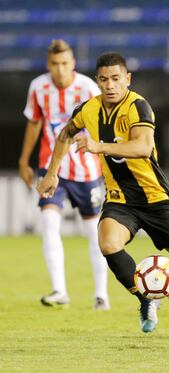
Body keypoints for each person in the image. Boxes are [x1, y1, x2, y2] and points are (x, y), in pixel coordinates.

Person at [36, 52, 169, 338]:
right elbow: (64, 134)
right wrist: (52, 173)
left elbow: (142, 147)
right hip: (120, 199)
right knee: (108, 243)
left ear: (127, 79)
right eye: (103, 79)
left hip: (154, 199)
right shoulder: (88, 109)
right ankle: (146, 300)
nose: (109, 85)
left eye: (115, 79)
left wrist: (99, 146)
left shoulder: (138, 106)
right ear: (97, 81)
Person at [19, 39, 109, 310]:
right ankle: (59, 290)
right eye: (55, 64)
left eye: (65, 63)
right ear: (49, 64)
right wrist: (24, 159)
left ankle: (101, 294)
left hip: (86, 169)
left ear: (73, 64)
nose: (60, 69)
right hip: (52, 168)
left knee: (93, 232)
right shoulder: (38, 87)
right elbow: (35, 123)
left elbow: (100, 126)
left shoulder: (87, 88)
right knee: (48, 223)